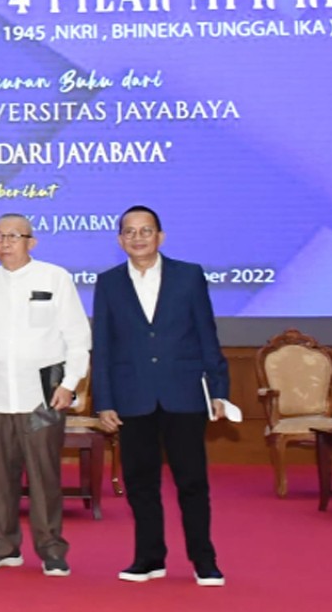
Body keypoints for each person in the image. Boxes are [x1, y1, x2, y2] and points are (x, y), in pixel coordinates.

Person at [92, 205, 229, 587]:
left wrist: (218, 389)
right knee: (140, 482)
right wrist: (104, 400)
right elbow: (102, 344)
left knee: (192, 481)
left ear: (160, 237)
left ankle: (205, 560)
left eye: (145, 231)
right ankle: (149, 558)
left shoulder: (188, 276)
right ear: (120, 240)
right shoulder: (109, 282)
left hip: (183, 393)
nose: (138, 238)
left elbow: (207, 333)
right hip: (131, 396)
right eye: (130, 232)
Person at [0, 214, 90, 577]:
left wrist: (69, 383)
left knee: (44, 473)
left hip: (44, 395)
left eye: (13, 236)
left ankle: (51, 549)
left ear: (31, 242)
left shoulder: (55, 278)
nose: (4, 243)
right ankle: (3, 546)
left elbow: (78, 338)